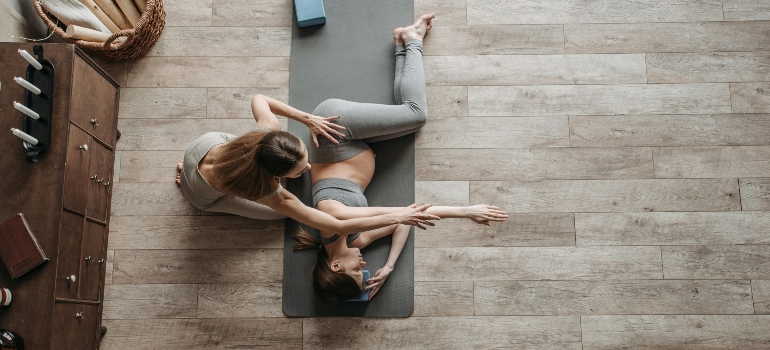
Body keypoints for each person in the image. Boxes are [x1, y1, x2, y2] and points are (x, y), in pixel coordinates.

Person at [292, 14, 508, 303]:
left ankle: (413, 40)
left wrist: (467, 211)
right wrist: (390, 265)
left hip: (336, 129)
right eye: (364, 274)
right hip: (356, 144)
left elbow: (406, 213)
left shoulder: (332, 222)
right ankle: (401, 42)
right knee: (412, 122)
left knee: (416, 114)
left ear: (335, 266)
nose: (364, 267)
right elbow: (400, 223)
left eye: (357, 272)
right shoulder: (354, 239)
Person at [173, 24, 444, 235]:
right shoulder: (268, 193)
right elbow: (336, 226)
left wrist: (308, 119)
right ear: (273, 178)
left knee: (413, 117)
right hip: (205, 193)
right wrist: (400, 216)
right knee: (282, 216)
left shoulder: (266, 131)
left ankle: (188, 173)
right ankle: (189, 185)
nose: (309, 168)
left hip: (203, 148)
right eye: (300, 170)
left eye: (303, 162)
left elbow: (259, 99)